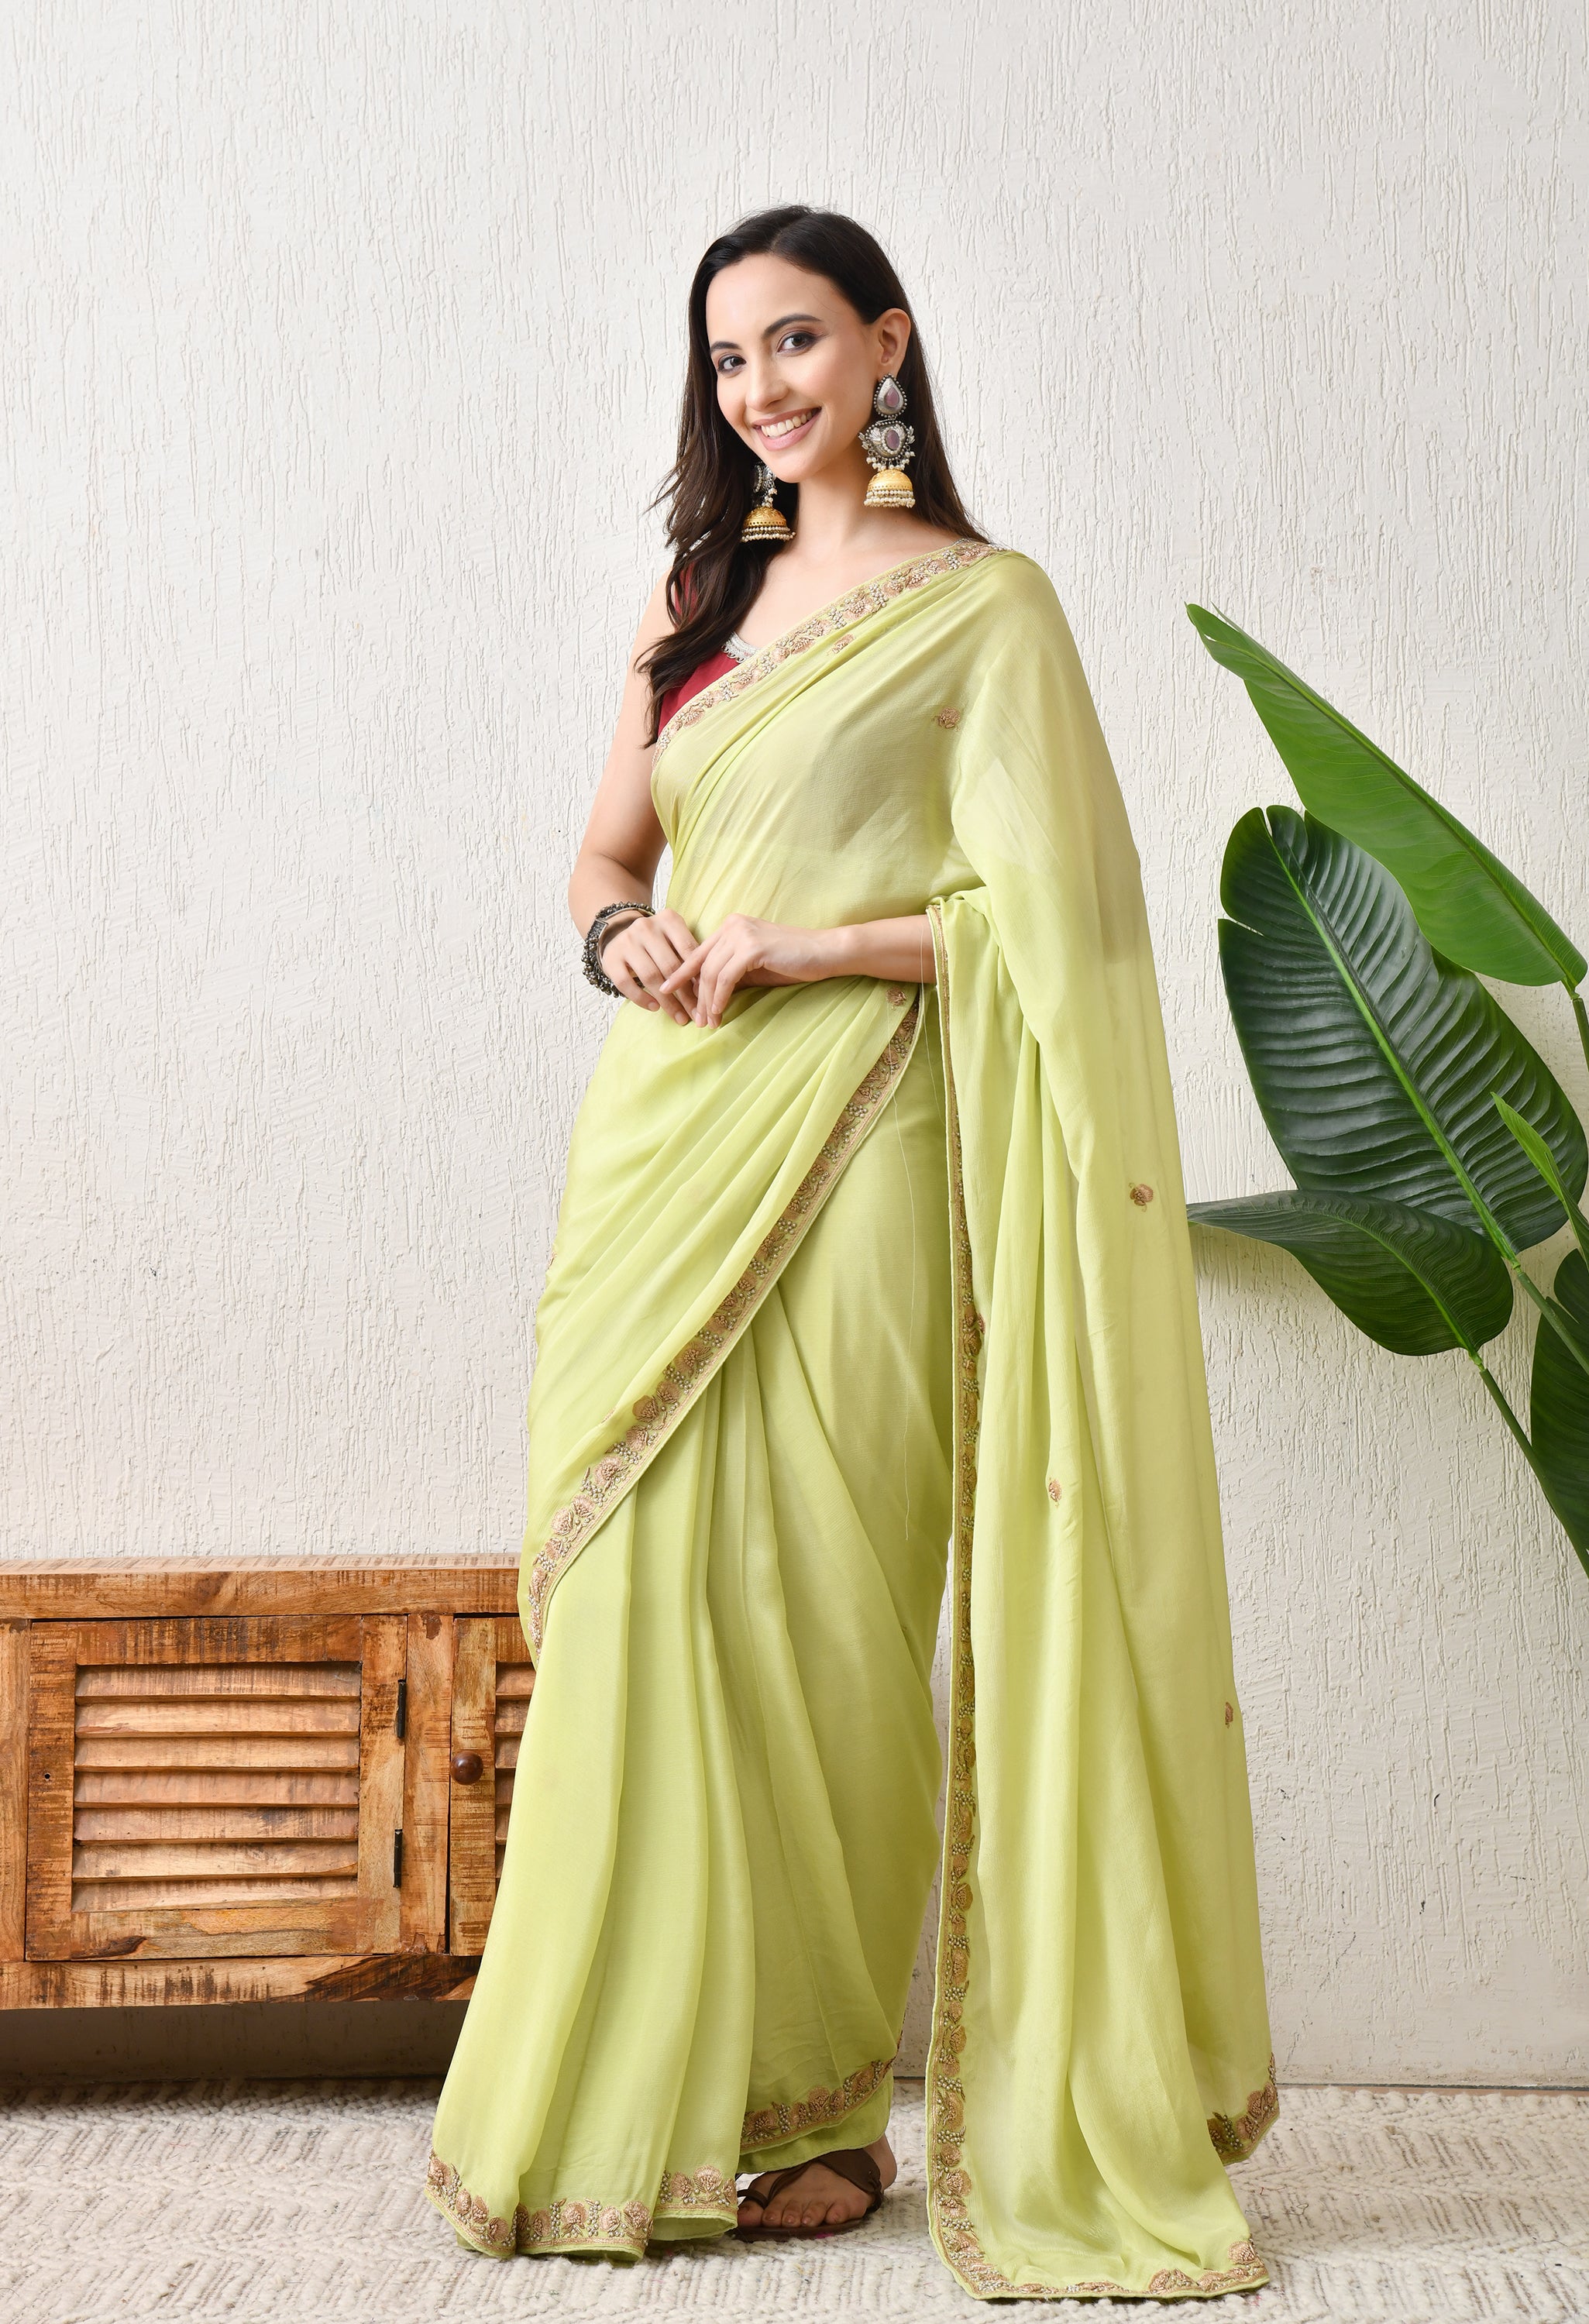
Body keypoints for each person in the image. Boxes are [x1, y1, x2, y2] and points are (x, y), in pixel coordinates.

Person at [424, 202, 1278, 2301]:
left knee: (817, 1624)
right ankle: (619, 2107)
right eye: (729, 362)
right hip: (661, 1142)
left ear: (886, 346)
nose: (764, 390)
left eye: (797, 343)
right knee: (636, 1608)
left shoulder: (982, 609)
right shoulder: (687, 605)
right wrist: (618, 933)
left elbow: (1055, 927)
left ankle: (805, 2115)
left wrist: (806, 940)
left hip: (873, 1133)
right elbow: (607, 851)